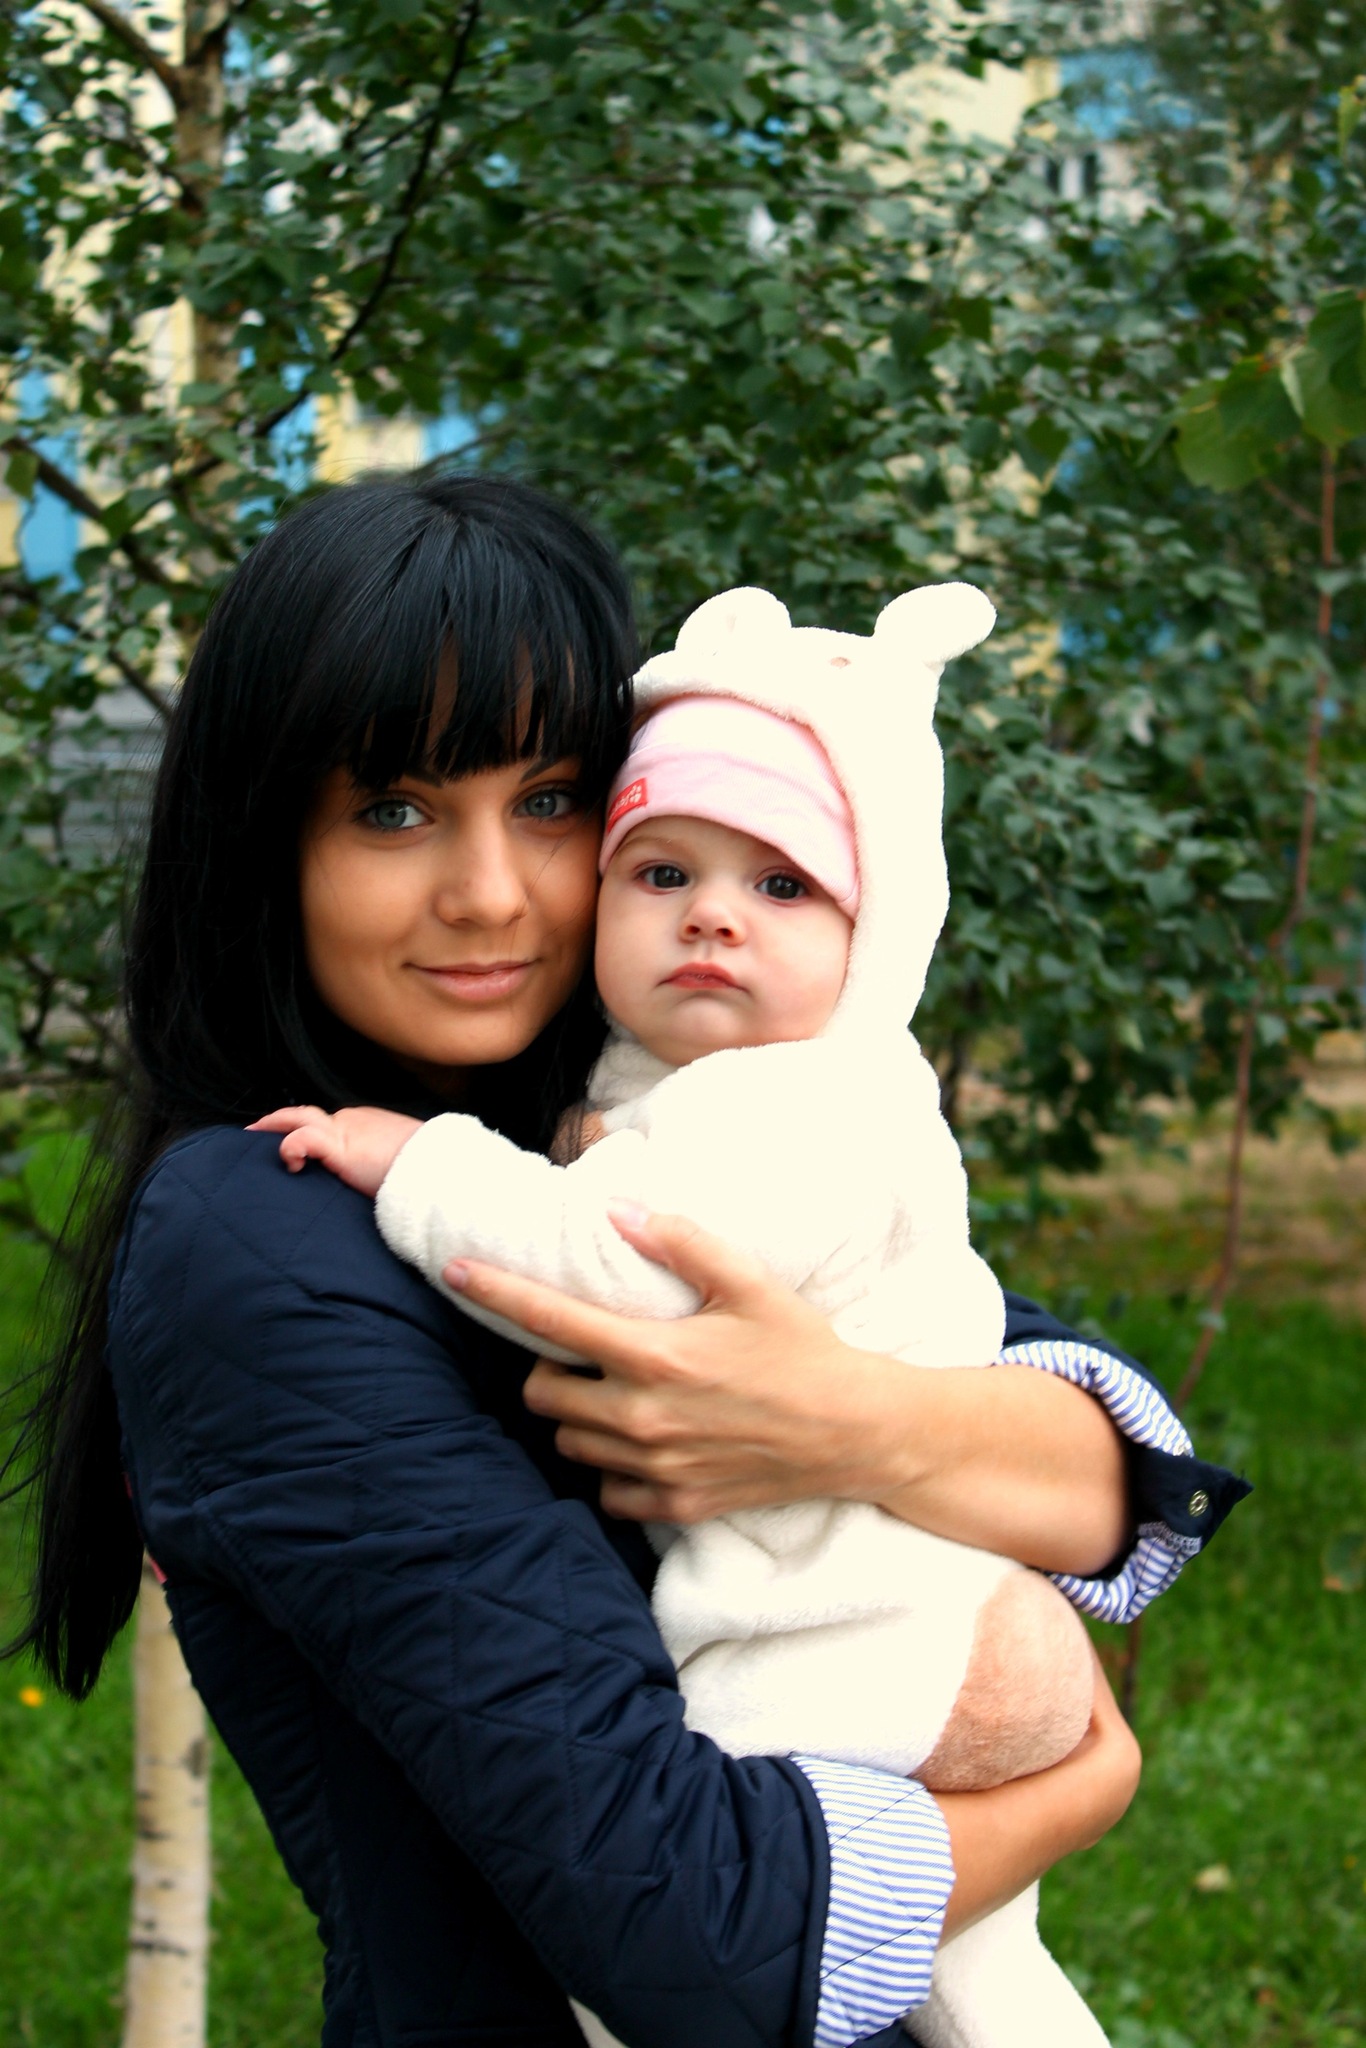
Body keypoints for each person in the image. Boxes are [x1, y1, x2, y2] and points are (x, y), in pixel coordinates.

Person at [6, 474, 1246, 2048]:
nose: (488, 893)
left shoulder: (651, 1110)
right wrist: (1077, 1788)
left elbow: (1121, 1487)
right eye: (393, 811)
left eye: (549, 801)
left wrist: (850, 1420)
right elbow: (691, 1930)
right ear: (266, 845)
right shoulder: (263, 1235)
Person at [250, 580, 1118, 2048]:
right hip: (933, 1611)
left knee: (669, 1907)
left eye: (783, 886)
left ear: (878, 930)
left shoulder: (798, 1106)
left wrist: (423, 1163)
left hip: (863, 1631)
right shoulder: (708, 1091)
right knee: (982, 1978)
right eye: (662, 872)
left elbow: (619, 1276)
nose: (712, 913)